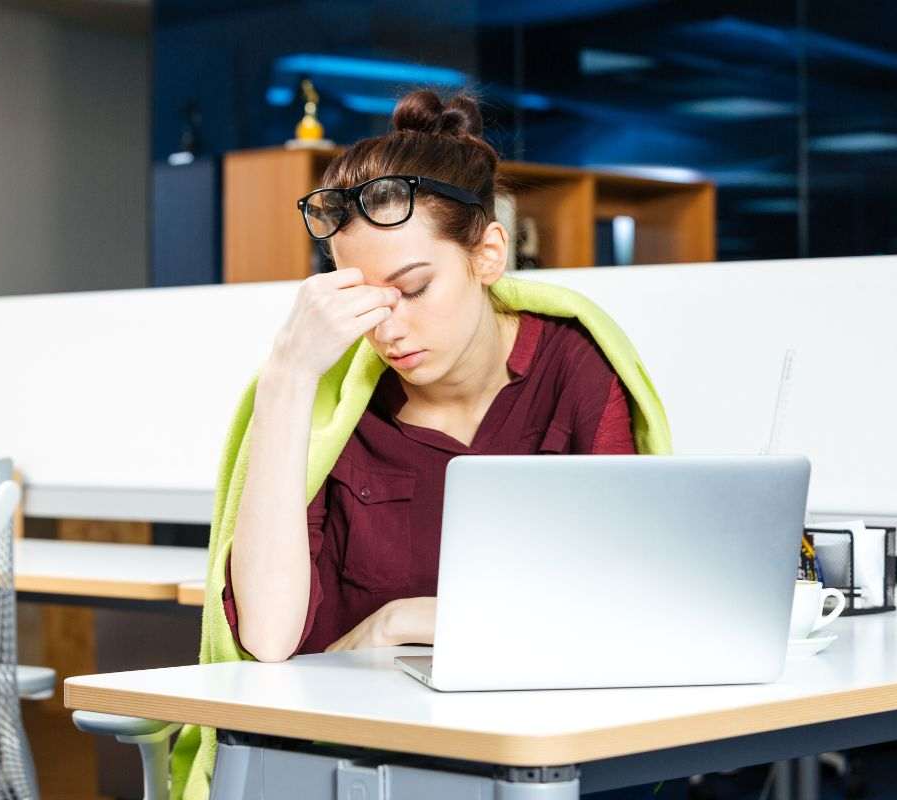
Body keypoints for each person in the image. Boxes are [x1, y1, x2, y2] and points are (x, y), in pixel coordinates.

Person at [223, 89, 643, 663]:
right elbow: (268, 638)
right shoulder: (332, 402)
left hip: (538, 722)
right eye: (363, 298)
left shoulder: (577, 368)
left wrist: (402, 621)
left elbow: (624, 601)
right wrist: (287, 378)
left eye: (414, 288)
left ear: (488, 255)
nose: (387, 328)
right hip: (350, 733)